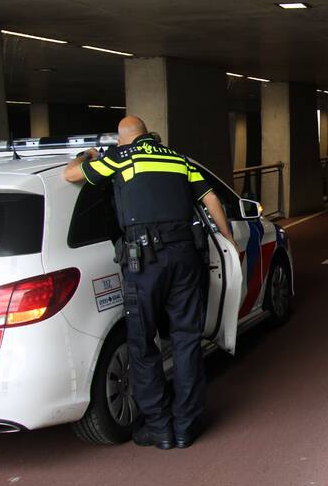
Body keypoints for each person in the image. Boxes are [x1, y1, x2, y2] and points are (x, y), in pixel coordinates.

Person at [64, 116, 238, 450]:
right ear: (149, 135)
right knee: (187, 339)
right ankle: (186, 426)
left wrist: (86, 157)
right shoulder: (178, 159)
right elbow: (211, 199)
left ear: (122, 140)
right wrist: (227, 241)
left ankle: (160, 427)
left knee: (143, 344)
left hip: (144, 262)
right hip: (185, 258)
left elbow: (70, 175)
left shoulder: (121, 158)